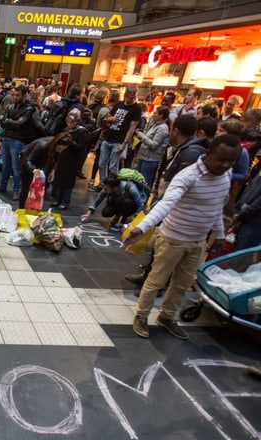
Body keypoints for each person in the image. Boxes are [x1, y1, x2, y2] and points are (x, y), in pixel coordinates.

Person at [123, 134, 241, 340]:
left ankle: (167, 317)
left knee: (181, 283)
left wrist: (219, 234)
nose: (226, 165)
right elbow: (166, 204)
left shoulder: (226, 175)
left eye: (231, 161)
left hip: (198, 241)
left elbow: (216, 207)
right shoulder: (188, 176)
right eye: (221, 159)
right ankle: (141, 315)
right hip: (172, 238)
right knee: (156, 280)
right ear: (209, 154)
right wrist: (142, 228)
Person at [92, 86, 141, 191]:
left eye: (133, 97)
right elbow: (107, 118)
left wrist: (124, 143)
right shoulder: (119, 104)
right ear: (125, 95)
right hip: (109, 137)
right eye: (129, 97)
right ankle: (102, 184)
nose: (130, 99)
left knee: (113, 167)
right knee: (101, 164)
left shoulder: (136, 108)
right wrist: (111, 119)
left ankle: (112, 186)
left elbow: (132, 127)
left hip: (119, 140)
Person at [0, 85, 38, 200]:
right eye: (14, 95)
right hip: (7, 139)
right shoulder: (11, 107)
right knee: (5, 166)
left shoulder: (29, 109)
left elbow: (20, 125)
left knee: (16, 168)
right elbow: (3, 121)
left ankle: (16, 190)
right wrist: (11, 122)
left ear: (24, 95)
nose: (15, 97)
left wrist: (8, 121)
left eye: (17, 95)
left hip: (18, 140)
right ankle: (3, 186)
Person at [18, 133, 72, 209]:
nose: (60, 151)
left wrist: (53, 170)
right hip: (26, 164)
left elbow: (56, 158)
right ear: (56, 144)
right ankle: (21, 209)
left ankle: (32, 208)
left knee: (36, 188)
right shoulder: (42, 145)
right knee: (26, 188)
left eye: (62, 149)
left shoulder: (54, 148)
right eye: (59, 148)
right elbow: (28, 160)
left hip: (38, 166)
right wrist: (33, 169)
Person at [80, 172, 147, 232]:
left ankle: (122, 221)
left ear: (114, 187)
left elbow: (140, 204)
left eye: (106, 189)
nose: (104, 190)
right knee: (106, 212)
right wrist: (88, 214)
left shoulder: (130, 187)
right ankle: (117, 216)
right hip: (119, 202)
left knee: (127, 202)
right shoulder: (109, 187)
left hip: (130, 205)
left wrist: (135, 218)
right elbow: (98, 199)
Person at [50, 108, 88, 210]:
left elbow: (81, 147)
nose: (69, 124)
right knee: (59, 180)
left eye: (72, 122)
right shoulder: (65, 130)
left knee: (68, 182)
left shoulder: (82, 132)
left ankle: (65, 201)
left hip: (72, 160)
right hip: (62, 158)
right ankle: (58, 199)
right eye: (68, 121)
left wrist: (70, 142)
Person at [134, 105, 170, 188]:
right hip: (143, 156)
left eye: (155, 113)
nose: (153, 114)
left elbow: (154, 145)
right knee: (137, 179)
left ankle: (144, 198)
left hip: (150, 159)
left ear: (161, 115)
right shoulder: (154, 124)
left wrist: (142, 137)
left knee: (145, 181)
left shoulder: (162, 128)